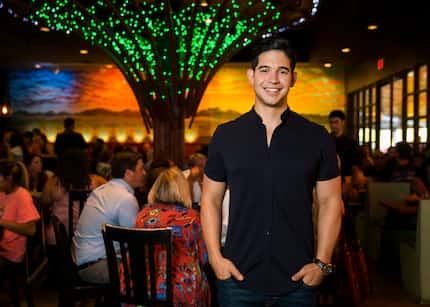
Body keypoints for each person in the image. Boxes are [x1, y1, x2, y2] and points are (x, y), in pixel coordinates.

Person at [200, 37, 344, 306]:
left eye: (283, 71)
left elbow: (331, 201)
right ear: (251, 76)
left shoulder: (317, 137)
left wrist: (322, 264)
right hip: (237, 277)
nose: (273, 79)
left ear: (294, 78)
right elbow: (210, 199)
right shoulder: (226, 135)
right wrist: (216, 258)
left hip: (299, 278)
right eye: (265, 70)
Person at [135, 166, 210, 306]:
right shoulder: (191, 218)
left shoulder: (142, 215)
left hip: (140, 285)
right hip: (181, 289)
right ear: (183, 189)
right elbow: (204, 257)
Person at [72, 151, 145, 284]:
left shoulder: (103, 189)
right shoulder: (125, 198)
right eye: (141, 169)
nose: (144, 173)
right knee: (150, 272)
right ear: (128, 173)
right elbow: (135, 241)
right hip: (95, 266)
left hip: (82, 261)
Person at [0, 160, 40, 271]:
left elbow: (31, 230)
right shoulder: (2, 192)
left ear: (9, 178)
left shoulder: (22, 196)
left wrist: (2, 222)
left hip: (10, 253)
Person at [328, 110, 359, 178]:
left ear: (343, 122)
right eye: (331, 122)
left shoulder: (351, 143)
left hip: (346, 177)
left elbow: (355, 163)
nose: (333, 125)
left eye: (336, 122)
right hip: (330, 177)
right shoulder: (326, 141)